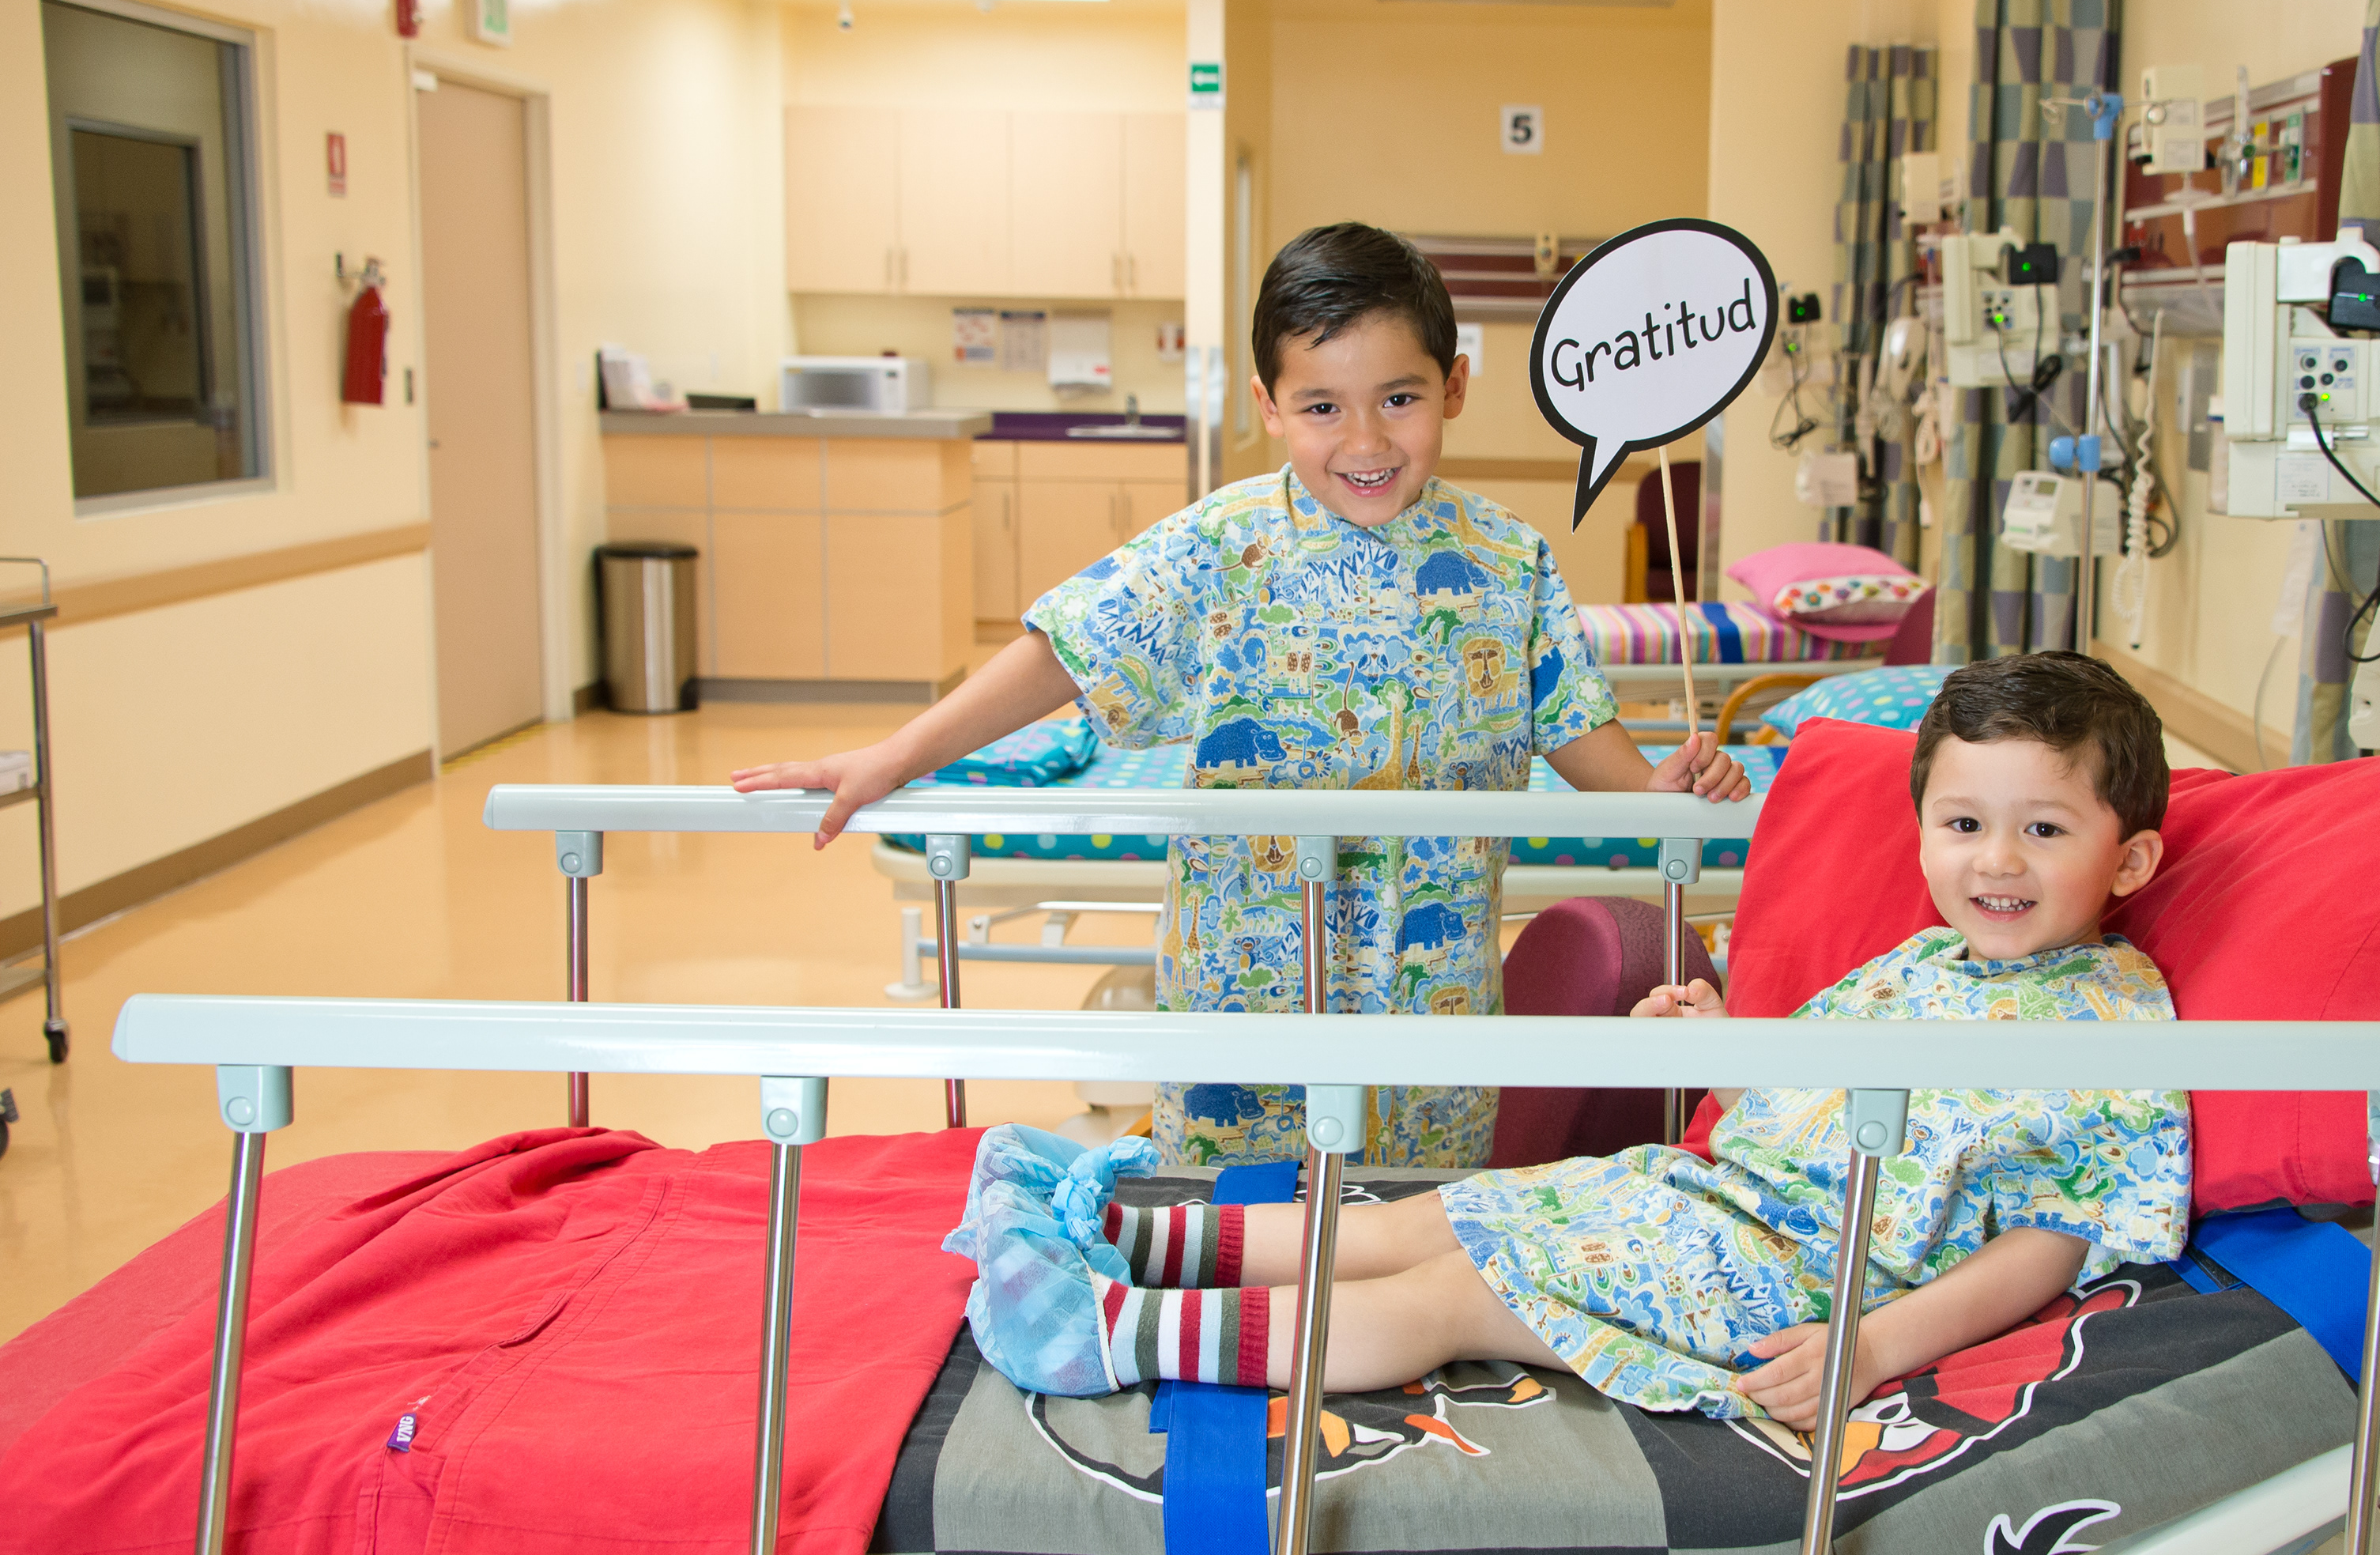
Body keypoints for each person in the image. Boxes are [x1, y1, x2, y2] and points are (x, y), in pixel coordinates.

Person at [956, 651, 2192, 1428]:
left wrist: (1872, 1343)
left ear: (2127, 855)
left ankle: (1109, 1334)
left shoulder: (2108, 1017)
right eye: (1965, 820)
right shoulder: (1922, 963)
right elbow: (1802, 1082)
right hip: (1702, 1193)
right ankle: (1115, 1230)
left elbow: (2056, 1231)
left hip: (1797, 1280)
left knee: (1449, 1291)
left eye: (2042, 829)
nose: (1995, 860)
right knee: (1422, 1216)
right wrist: (1722, 1040)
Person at [734, 223, 1747, 1168]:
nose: (1365, 441)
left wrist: (1672, 786)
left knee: (1396, 1270)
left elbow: (1588, 747)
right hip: (1244, 1022)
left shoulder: (1506, 562)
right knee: (1244, 1266)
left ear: (1456, 386)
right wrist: (892, 757)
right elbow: (1067, 650)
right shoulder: (1219, 547)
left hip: (1432, 1035)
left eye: (1400, 398)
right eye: (1321, 408)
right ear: (1269, 406)